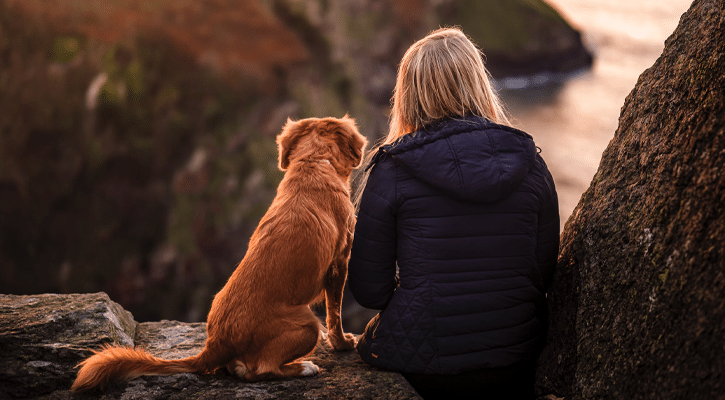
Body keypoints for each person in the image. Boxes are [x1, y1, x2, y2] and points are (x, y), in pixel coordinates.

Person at [347, 27, 559, 400]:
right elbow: (541, 274)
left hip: (426, 369)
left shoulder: (392, 169)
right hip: (515, 358)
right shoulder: (530, 162)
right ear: (478, 82)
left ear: (409, 94)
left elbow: (369, 290)